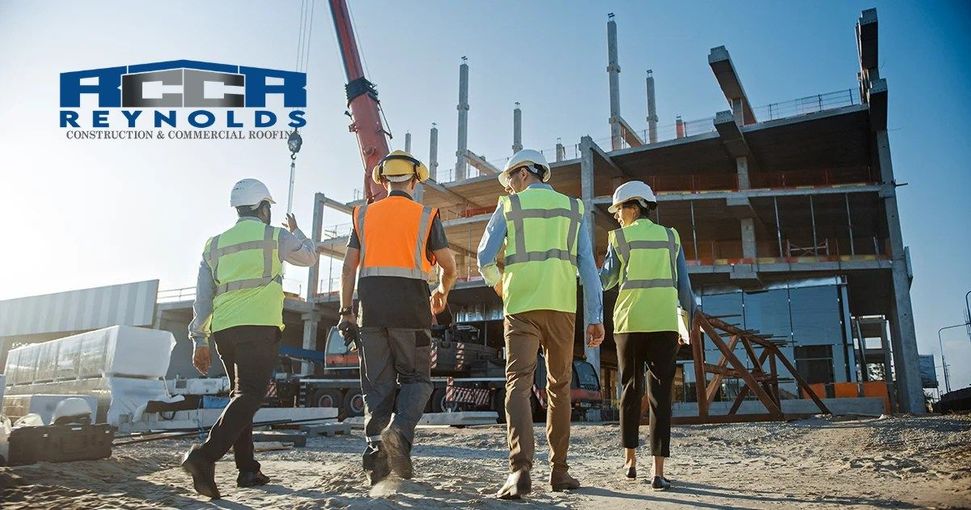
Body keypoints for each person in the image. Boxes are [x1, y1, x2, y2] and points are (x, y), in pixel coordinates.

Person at [477, 149, 605, 499]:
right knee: (559, 388)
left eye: (510, 182)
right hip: (562, 307)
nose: (510, 190)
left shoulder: (509, 207)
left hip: (520, 306)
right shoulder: (574, 208)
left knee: (517, 385)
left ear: (521, 174)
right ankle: (559, 472)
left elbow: (483, 257)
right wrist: (595, 317)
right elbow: (588, 268)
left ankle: (519, 472)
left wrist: (499, 283)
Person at [183, 178, 319, 499]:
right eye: (268, 207)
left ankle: (248, 470)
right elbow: (310, 257)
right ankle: (203, 457)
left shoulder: (213, 245)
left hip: (224, 330)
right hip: (258, 327)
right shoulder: (275, 236)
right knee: (250, 396)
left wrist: (198, 339)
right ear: (263, 208)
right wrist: (297, 232)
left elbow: (202, 298)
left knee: (239, 397)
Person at [338, 150, 457, 485]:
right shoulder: (426, 216)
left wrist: (346, 311)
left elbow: (348, 268)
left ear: (383, 179)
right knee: (417, 381)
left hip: (371, 314)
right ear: (416, 179)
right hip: (412, 312)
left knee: (378, 387)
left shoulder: (362, 215)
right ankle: (399, 431)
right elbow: (450, 267)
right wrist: (442, 292)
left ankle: (379, 463)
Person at [599, 180, 696, 491]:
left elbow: (605, 281)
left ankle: (629, 461)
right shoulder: (671, 237)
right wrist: (686, 324)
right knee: (660, 396)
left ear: (634, 207)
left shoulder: (619, 239)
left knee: (629, 389)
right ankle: (658, 471)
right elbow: (684, 287)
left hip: (629, 323)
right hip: (664, 323)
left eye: (619, 210)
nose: (616, 216)